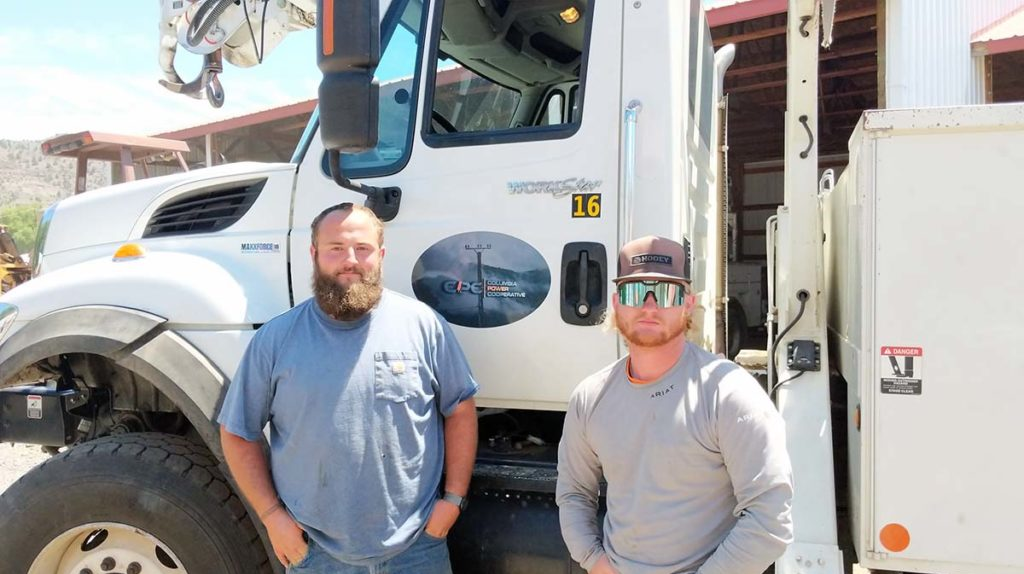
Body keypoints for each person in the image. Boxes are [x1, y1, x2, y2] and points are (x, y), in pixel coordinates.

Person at [218, 202, 479, 573]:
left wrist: (452, 500)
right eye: (336, 248)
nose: (350, 260)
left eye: (363, 249)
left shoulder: (424, 326)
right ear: (314, 255)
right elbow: (237, 432)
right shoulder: (276, 339)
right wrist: (272, 516)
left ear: (382, 255)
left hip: (417, 549)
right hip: (316, 555)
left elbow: (460, 409)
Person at [556, 236, 793, 574]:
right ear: (616, 303)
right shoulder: (590, 397)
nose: (649, 306)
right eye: (635, 291)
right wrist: (595, 561)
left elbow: (770, 518)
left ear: (687, 304)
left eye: (666, 293)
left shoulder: (728, 393)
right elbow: (574, 493)